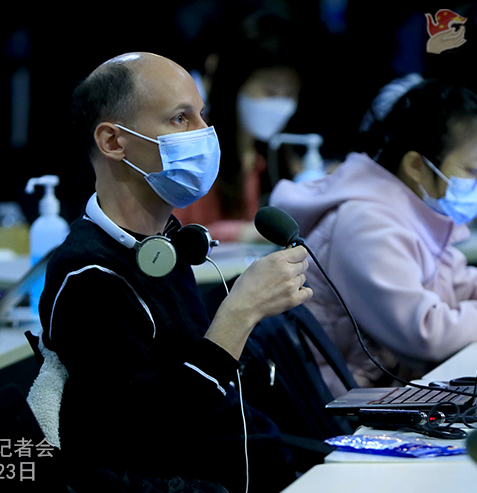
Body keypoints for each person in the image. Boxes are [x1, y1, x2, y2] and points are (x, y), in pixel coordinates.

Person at [38, 52, 312, 492]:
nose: (204, 133)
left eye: (202, 115)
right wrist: (238, 314)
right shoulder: (89, 277)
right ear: (113, 141)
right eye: (180, 119)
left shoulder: (164, 242)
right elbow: (153, 438)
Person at [270, 78, 477, 397]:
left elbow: (457, 284)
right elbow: (425, 334)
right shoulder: (367, 223)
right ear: (416, 166)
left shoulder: (413, 212)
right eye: (472, 170)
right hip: (348, 408)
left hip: (388, 392)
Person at [173, 11, 305, 243]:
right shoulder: (196, 152)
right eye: (270, 92)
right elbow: (174, 231)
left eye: (290, 94)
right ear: (234, 84)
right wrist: (244, 233)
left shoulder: (273, 157)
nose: (281, 104)